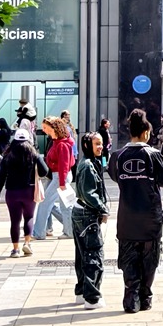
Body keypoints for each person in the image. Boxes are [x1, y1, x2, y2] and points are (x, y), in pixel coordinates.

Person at [108, 108, 163, 313]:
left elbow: (115, 176)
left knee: (128, 259)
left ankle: (131, 298)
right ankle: (145, 297)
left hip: (127, 217)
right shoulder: (153, 155)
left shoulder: (117, 156)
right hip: (150, 218)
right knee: (150, 259)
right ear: (145, 132)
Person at [0, 128, 47, 258]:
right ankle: (27, 243)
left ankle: (15, 249)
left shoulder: (8, 155)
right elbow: (44, 171)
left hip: (12, 192)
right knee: (29, 217)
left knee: (15, 221)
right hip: (29, 191)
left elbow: (1, 176)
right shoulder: (34, 154)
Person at [73, 132, 109, 308]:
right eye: (96, 144)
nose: (100, 147)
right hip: (87, 214)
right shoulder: (87, 165)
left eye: (101, 143)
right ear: (87, 145)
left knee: (82, 255)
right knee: (93, 254)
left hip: (80, 212)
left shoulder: (88, 162)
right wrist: (103, 209)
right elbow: (89, 194)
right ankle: (92, 297)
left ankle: (81, 292)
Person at [33, 116, 75, 241]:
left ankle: (39, 232)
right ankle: (69, 231)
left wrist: (61, 182)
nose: (43, 130)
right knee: (65, 205)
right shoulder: (60, 142)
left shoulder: (61, 144)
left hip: (60, 177)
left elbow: (63, 165)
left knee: (45, 203)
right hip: (61, 177)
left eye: (45, 127)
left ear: (53, 128)